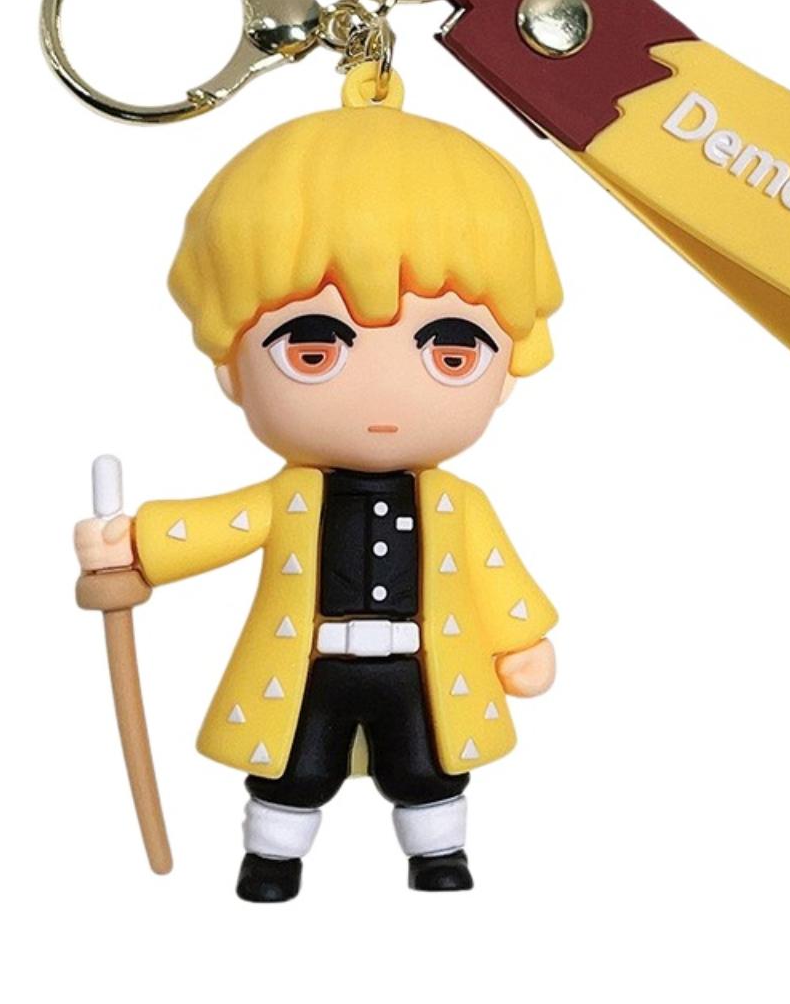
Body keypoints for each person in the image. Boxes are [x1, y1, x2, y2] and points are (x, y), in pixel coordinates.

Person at [73, 71, 560, 900]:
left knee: (429, 765)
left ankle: (438, 854)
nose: (383, 392)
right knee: (295, 767)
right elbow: (217, 526)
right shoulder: (287, 498)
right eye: (313, 350)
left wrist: (519, 640)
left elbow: (494, 574)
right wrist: (134, 545)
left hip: (421, 667)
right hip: (309, 667)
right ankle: (272, 857)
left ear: (507, 370)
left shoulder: (458, 507)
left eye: (450, 353)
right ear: (232, 366)